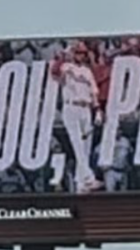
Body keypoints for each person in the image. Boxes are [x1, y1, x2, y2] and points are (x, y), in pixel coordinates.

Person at [51, 41, 103, 194]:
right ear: (73, 53)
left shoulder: (87, 71)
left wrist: (98, 110)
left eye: (83, 53)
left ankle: (80, 183)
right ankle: (88, 178)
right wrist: (63, 55)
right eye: (78, 52)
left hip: (85, 108)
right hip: (71, 106)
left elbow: (93, 92)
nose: (81, 55)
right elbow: (54, 72)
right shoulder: (66, 67)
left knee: (86, 148)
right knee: (77, 144)